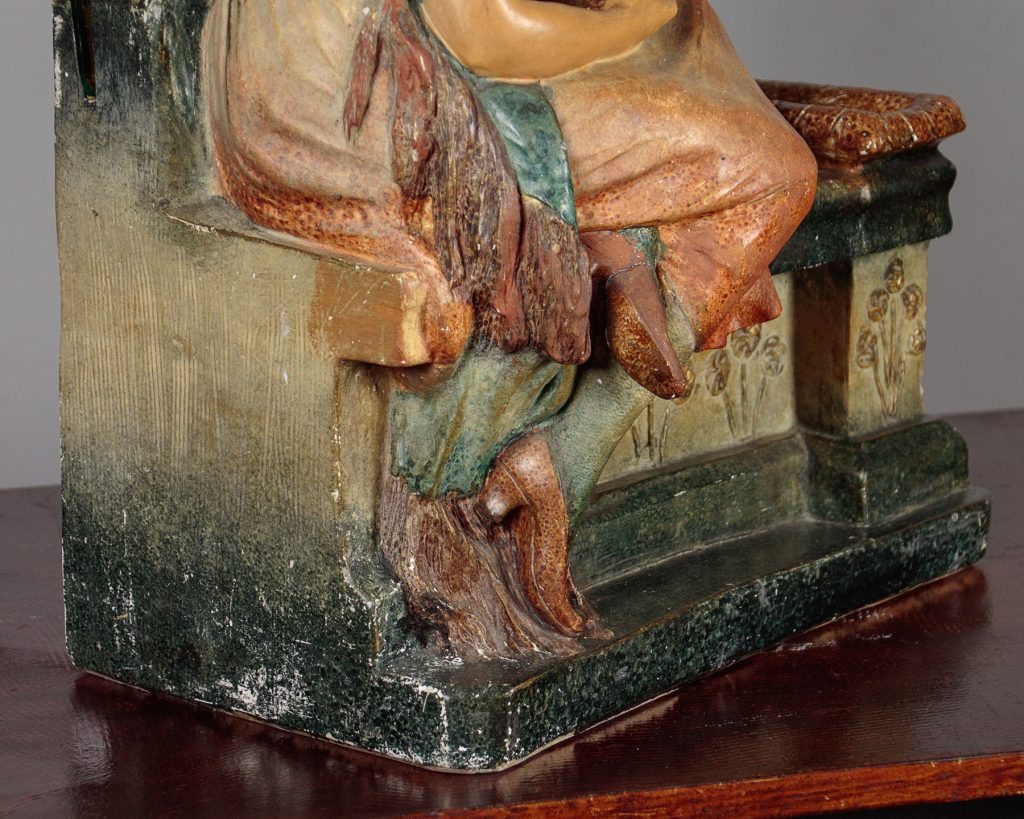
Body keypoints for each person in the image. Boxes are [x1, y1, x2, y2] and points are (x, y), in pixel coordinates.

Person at [203, 0, 817, 655]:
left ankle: (607, 262)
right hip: (366, 119)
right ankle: (572, 442)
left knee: (687, 44)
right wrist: (648, 13)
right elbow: (484, 31)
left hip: (322, 94)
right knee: (772, 167)